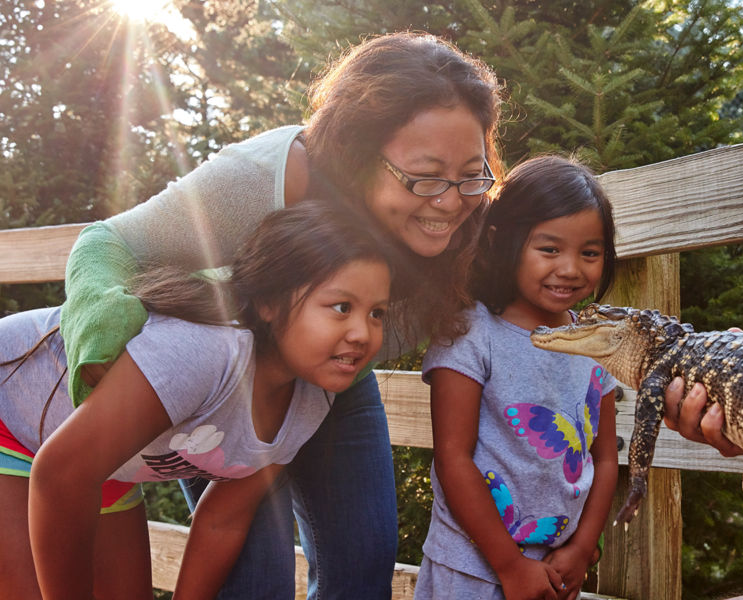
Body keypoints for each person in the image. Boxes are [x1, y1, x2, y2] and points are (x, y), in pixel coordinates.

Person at [58, 32, 503, 598]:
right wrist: (102, 335)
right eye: (424, 175)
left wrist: (652, 372)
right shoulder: (257, 182)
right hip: (229, 378)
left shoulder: (473, 220)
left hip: (335, 382)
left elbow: (560, 289)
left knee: (362, 565)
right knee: (252, 572)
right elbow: (106, 243)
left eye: (470, 172)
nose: (449, 202)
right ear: (359, 153)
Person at [0, 200, 394, 600]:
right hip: (11, 421)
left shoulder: (315, 397)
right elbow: (61, 474)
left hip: (93, 465)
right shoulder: (204, 350)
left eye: (377, 313)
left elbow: (222, 521)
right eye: (342, 307)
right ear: (270, 302)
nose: (363, 333)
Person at [414, 156, 619, 600]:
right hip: (470, 570)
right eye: (549, 249)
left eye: (589, 252)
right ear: (502, 242)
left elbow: (604, 460)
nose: (570, 268)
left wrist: (582, 549)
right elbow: (453, 459)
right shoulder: (471, 334)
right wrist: (510, 566)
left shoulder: (596, 344)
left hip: (556, 573)